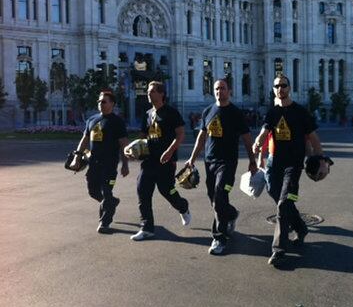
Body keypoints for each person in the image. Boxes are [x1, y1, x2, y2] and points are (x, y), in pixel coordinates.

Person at [253, 75, 328, 267]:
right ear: (274, 89)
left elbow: (313, 138)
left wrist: (321, 161)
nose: (280, 89)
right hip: (273, 165)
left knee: (283, 204)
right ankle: (301, 228)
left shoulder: (300, 112)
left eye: (283, 85)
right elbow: (264, 133)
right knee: (278, 198)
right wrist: (257, 146)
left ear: (289, 88)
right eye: (277, 86)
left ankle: (278, 249)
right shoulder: (272, 113)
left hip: (292, 167)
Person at [185, 79, 257, 255]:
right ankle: (231, 214)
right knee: (214, 198)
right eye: (216, 89)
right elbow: (201, 137)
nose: (219, 91)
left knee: (219, 196)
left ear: (229, 91)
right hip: (210, 162)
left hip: (228, 163)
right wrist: (191, 159)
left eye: (222, 88)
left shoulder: (235, 113)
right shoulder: (208, 111)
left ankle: (219, 238)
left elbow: (247, 137)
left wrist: (252, 160)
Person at [128, 81, 191, 241]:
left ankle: (183, 207)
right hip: (149, 161)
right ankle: (146, 228)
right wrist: (131, 148)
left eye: (152, 91)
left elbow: (180, 134)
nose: (149, 94)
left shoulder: (171, 112)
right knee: (142, 190)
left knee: (167, 191)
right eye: (148, 92)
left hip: (166, 161)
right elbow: (143, 136)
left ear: (161, 94)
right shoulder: (148, 114)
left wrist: (170, 151)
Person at [72, 90, 129, 233]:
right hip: (93, 163)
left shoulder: (117, 122)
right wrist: (77, 157)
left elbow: (123, 144)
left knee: (107, 192)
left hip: (109, 164)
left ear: (112, 104)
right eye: (99, 101)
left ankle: (105, 222)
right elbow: (84, 140)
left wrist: (125, 164)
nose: (100, 104)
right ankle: (111, 202)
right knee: (93, 192)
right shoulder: (92, 120)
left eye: (103, 101)